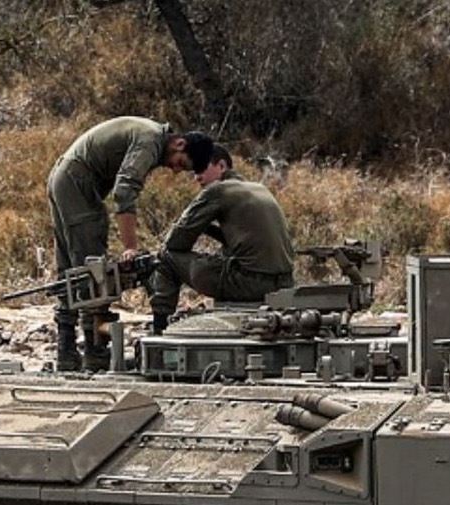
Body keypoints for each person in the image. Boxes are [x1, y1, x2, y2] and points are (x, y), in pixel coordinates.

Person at [47, 117, 214, 370]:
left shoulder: (151, 136)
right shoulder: (150, 140)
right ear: (179, 144)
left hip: (64, 178)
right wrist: (130, 247)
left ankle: (67, 352)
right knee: (92, 271)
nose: (175, 169)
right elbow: (124, 191)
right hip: (76, 183)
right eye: (180, 163)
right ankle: (94, 352)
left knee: (71, 271)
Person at [147, 144, 296, 334]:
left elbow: (175, 242)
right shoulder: (259, 189)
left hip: (249, 283)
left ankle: (160, 328)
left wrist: (196, 222)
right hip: (284, 284)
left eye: (201, 168)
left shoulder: (218, 191)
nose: (197, 177)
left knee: (167, 257)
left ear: (222, 166)